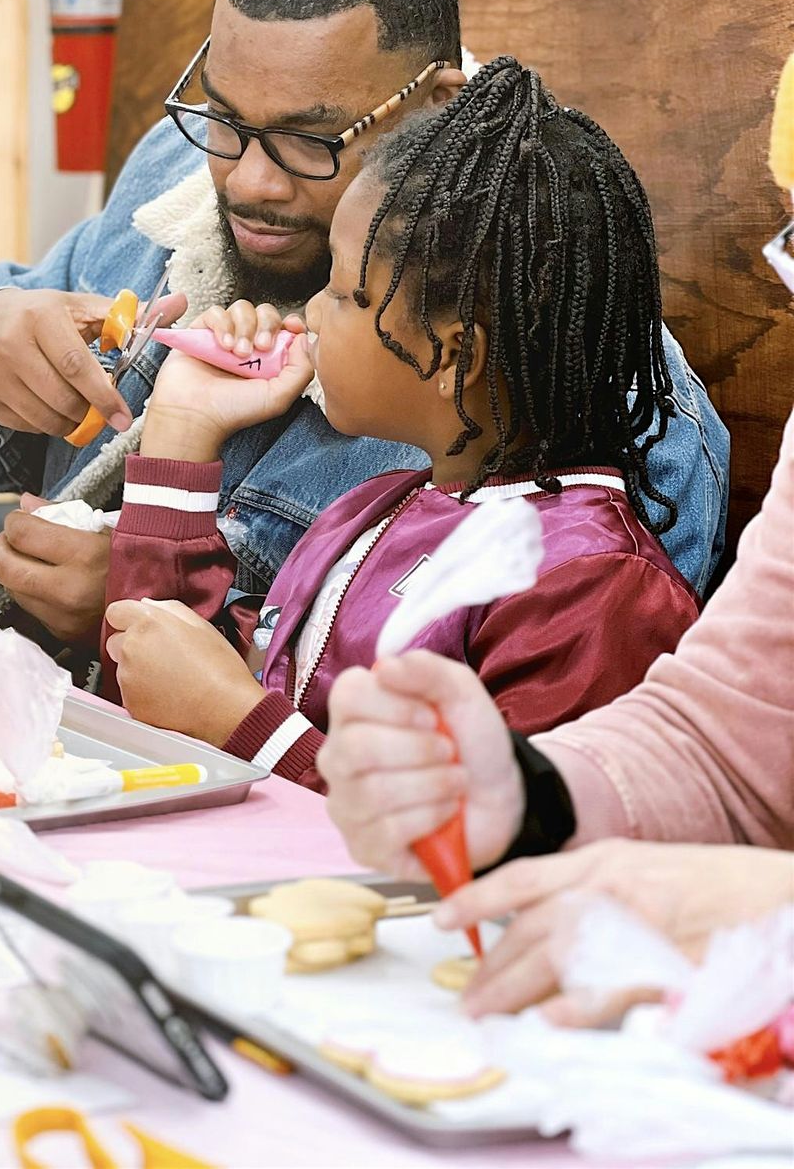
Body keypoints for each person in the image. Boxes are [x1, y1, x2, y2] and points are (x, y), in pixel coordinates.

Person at [0, 0, 728, 660]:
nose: (250, 182)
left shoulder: (579, 401)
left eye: (309, 140)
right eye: (225, 117)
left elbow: (524, 730)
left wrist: (144, 600)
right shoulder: (176, 175)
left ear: (434, 107)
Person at [316, 52, 794, 1020]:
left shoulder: (591, 569)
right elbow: (728, 744)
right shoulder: (380, 507)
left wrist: (760, 908)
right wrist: (533, 796)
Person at [101, 57, 701, 781]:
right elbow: (163, 699)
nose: (313, 311)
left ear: (453, 354)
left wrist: (245, 726)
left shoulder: (592, 588)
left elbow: (510, 848)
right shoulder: (370, 513)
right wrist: (181, 429)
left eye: (346, 292)